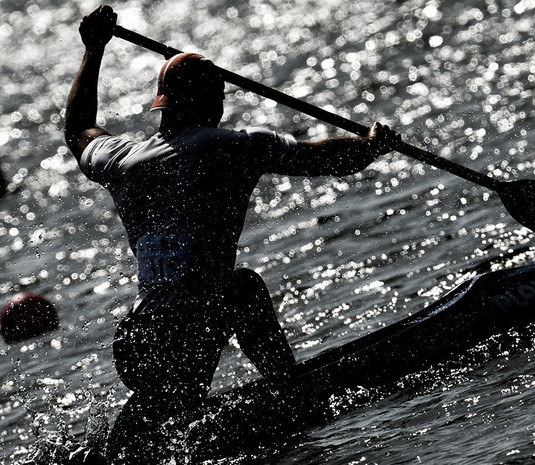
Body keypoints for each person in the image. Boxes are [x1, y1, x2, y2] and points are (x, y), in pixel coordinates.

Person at [64, 5, 400, 459]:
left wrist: (93, 51)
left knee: (164, 414)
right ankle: (293, 397)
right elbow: (322, 158)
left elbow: (78, 128)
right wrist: (371, 146)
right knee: (240, 288)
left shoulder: (121, 160)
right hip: (189, 333)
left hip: (138, 342)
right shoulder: (229, 147)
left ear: (161, 105)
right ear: (215, 103)